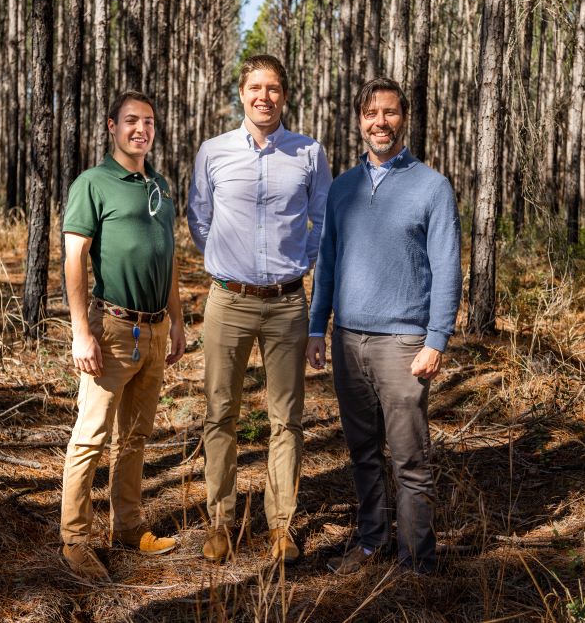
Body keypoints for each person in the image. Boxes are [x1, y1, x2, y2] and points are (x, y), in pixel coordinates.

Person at [306, 77, 462, 574]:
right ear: (359, 120)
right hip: (349, 340)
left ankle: (418, 563)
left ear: (404, 118)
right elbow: (327, 261)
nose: (381, 122)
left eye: (390, 113)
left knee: (410, 461)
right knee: (363, 454)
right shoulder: (343, 189)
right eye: (371, 113)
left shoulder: (432, 187)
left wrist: (436, 340)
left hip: (403, 343)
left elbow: (448, 268)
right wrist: (317, 328)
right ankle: (372, 543)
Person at [187, 54, 332, 564]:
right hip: (228, 301)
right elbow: (199, 218)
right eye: (254, 87)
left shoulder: (309, 153)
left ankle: (282, 526)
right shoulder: (214, 152)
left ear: (284, 95)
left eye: (272, 87)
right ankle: (220, 522)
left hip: (287, 303)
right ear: (241, 92)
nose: (263, 96)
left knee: (286, 420)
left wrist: (299, 269)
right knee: (219, 413)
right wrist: (228, 265)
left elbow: (323, 223)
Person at [59, 91, 186, 582]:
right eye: (131, 121)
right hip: (111, 329)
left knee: (135, 437)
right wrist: (80, 331)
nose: (141, 129)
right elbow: (74, 257)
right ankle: (74, 539)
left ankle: (128, 528)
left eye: (149, 122)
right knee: (91, 436)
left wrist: (176, 320)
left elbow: (168, 258)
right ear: (111, 126)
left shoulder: (160, 186)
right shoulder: (93, 183)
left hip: (154, 330)